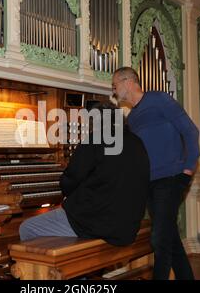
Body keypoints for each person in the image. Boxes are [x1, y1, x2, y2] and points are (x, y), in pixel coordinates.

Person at [19, 102, 150, 246]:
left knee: (27, 228)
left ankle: (61, 267)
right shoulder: (137, 142)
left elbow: (70, 181)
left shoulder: (96, 139)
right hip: (127, 225)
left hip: (97, 225)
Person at [112, 67, 200, 280]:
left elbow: (191, 131)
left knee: (159, 239)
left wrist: (187, 170)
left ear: (127, 82)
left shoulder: (159, 99)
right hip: (149, 184)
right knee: (170, 239)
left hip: (171, 179)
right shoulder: (131, 119)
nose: (114, 91)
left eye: (114, 86)